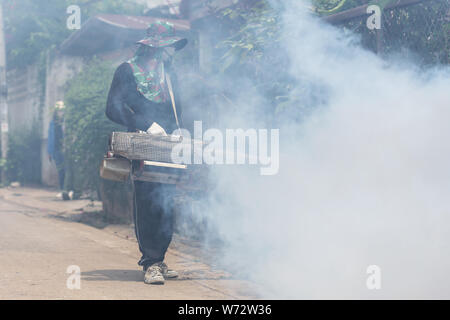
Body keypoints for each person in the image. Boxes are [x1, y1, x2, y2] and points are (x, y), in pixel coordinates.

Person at [105, 20, 187, 285]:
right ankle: (150, 262)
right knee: (147, 201)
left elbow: (177, 108)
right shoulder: (127, 71)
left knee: (166, 203)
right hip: (143, 144)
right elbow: (113, 107)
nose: (170, 52)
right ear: (154, 48)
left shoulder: (169, 73)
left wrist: (179, 129)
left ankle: (160, 258)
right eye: (167, 47)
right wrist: (144, 124)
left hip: (169, 147)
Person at [47, 101, 70, 200]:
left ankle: (68, 190)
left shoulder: (66, 122)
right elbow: (50, 138)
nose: (60, 113)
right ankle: (62, 190)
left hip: (67, 149)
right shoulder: (53, 124)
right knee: (61, 170)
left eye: (62, 111)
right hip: (57, 150)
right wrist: (49, 152)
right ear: (56, 112)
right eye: (59, 111)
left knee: (68, 170)